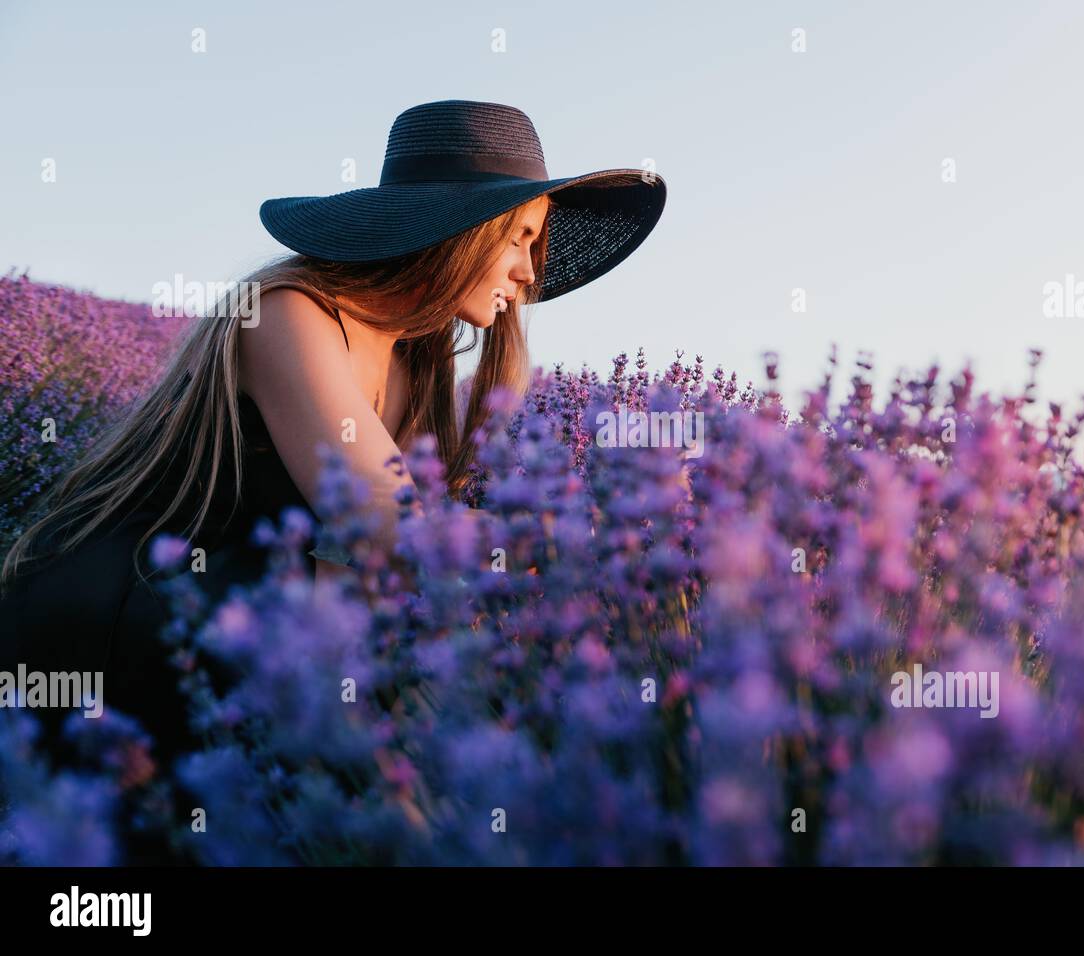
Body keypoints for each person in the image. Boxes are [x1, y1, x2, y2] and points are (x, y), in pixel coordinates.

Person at [0, 99, 668, 770]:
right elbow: (386, 530)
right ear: (459, 230)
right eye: (520, 237)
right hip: (130, 616)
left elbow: (367, 573)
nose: (530, 272)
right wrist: (583, 550)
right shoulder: (288, 315)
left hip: (261, 625)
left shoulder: (422, 359)